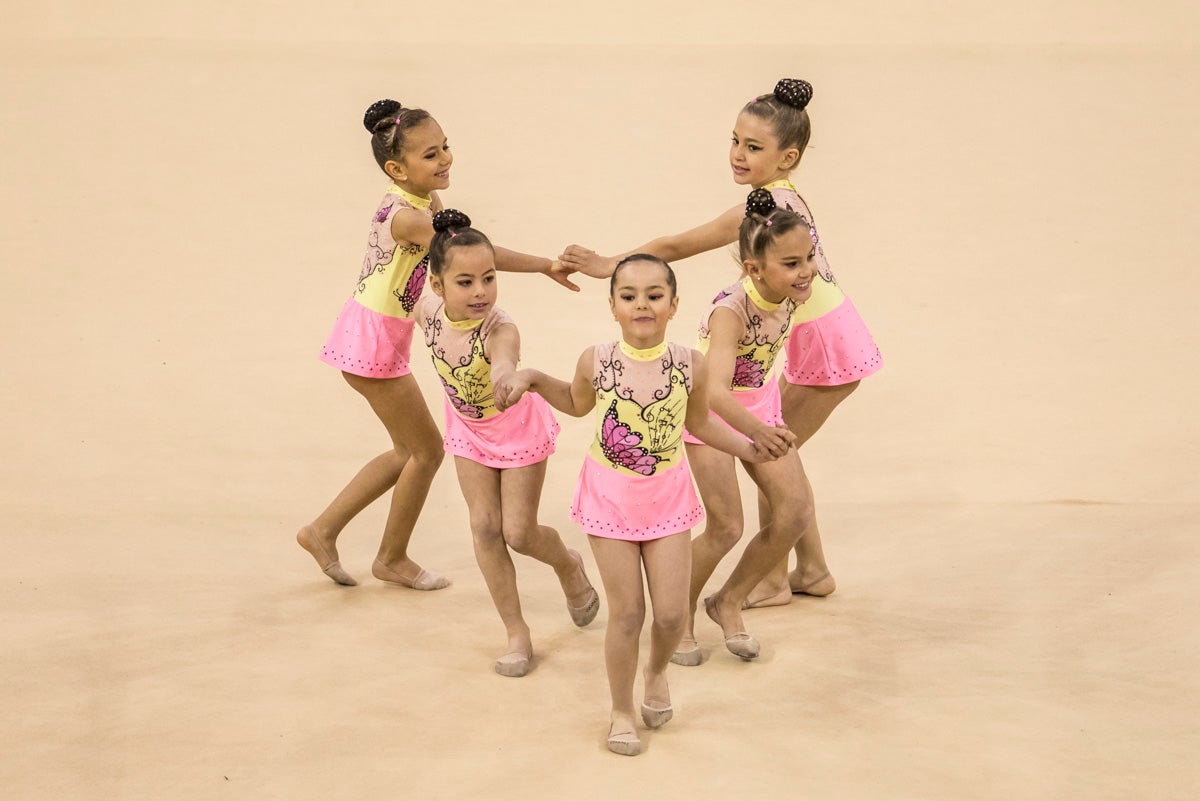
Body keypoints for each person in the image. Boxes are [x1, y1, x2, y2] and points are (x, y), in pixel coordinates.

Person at [557, 78, 881, 605]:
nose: (737, 154)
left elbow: (674, 245)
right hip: (826, 335)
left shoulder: (762, 208)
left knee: (769, 454)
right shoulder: (782, 196)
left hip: (825, 346)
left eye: (754, 148)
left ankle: (774, 579)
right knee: (778, 456)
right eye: (735, 140)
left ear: (787, 156)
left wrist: (606, 265)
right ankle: (812, 568)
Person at [497, 255, 787, 756]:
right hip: (609, 499)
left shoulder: (688, 364)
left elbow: (700, 425)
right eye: (628, 296)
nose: (642, 305)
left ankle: (655, 675)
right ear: (613, 306)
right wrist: (533, 378)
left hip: (667, 500)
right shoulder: (598, 360)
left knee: (672, 616)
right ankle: (620, 710)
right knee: (628, 614)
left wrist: (749, 446)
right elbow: (576, 402)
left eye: (655, 295)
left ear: (674, 305)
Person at [297, 98, 576, 588]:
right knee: (424, 451)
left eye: (445, 146)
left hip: (379, 332)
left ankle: (325, 530)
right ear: (396, 168)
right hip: (372, 341)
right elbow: (476, 254)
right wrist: (545, 264)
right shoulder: (407, 217)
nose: (445, 158)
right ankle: (388, 557)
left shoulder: (427, 202)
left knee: (411, 450)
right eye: (430, 154)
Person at [413, 208, 599, 677]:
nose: (480, 292)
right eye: (466, 282)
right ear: (437, 285)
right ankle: (517, 632)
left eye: (489, 278)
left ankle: (568, 566)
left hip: (516, 429)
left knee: (519, 532)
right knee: (485, 528)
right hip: (469, 431)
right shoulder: (424, 304)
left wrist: (507, 377)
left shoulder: (500, 327)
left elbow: (504, 357)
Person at [673, 189, 820, 667]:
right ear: (754, 269)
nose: (807, 272)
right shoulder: (729, 311)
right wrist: (757, 431)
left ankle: (728, 600)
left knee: (794, 513)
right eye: (793, 264)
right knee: (726, 526)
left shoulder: (793, 291)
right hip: (710, 415)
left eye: (810, 257)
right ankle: (676, 619)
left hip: (759, 407)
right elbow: (714, 392)